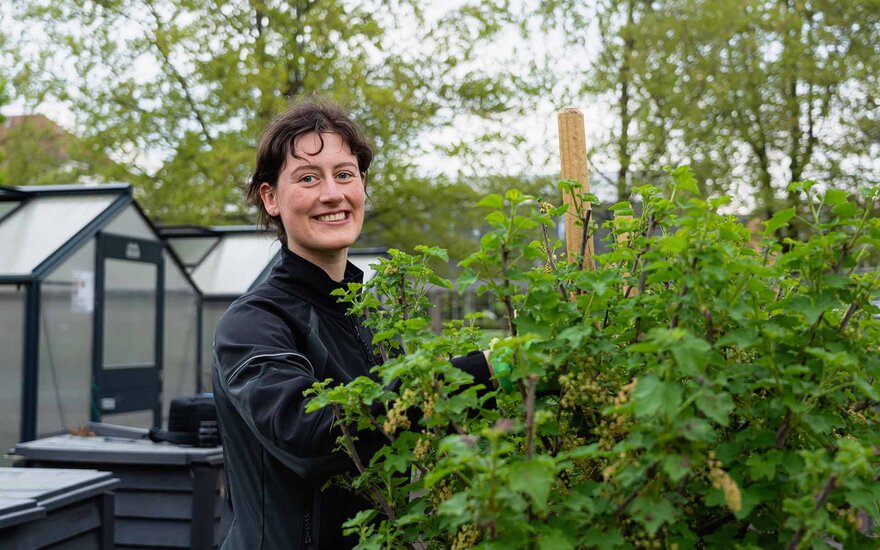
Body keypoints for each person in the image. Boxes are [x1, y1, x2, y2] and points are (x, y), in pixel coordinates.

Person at [212, 100, 494, 549]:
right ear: (271, 198)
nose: (332, 194)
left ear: (362, 186)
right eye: (308, 178)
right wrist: (476, 372)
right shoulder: (254, 322)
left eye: (345, 174)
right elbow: (309, 434)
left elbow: (409, 426)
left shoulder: (369, 318)